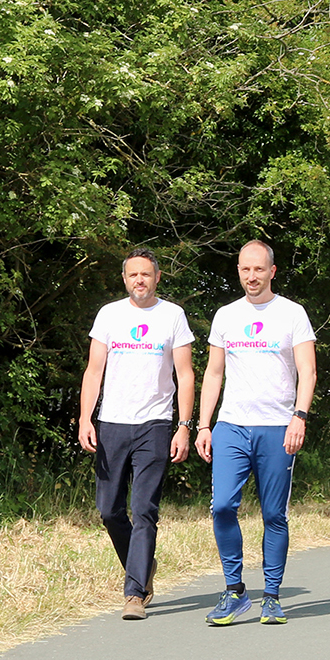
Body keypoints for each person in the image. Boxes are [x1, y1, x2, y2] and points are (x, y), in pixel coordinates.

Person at [195, 241, 316, 626]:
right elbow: (214, 373)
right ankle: (235, 591)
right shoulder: (226, 315)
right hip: (232, 425)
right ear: (239, 271)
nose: (252, 276)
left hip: (278, 427)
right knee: (223, 507)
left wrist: (299, 416)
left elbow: (308, 371)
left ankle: (273, 596)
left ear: (272, 272)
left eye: (259, 270)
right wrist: (202, 424)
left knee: (274, 514)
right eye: (246, 270)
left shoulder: (292, 313)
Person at [78, 248, 195, 620]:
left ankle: (135, 592)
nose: (139, 281)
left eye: (146, 274)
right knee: (109, 510)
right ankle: (142, 564)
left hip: (156, 424)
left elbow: (186, 374)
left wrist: (184, 426)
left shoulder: (173, 315)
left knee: (144, 509)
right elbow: (94, 370)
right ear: (125, 279)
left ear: (157, 278)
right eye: (133, 275)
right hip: (112, 422)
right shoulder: (109, 314)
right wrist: (86, 418)